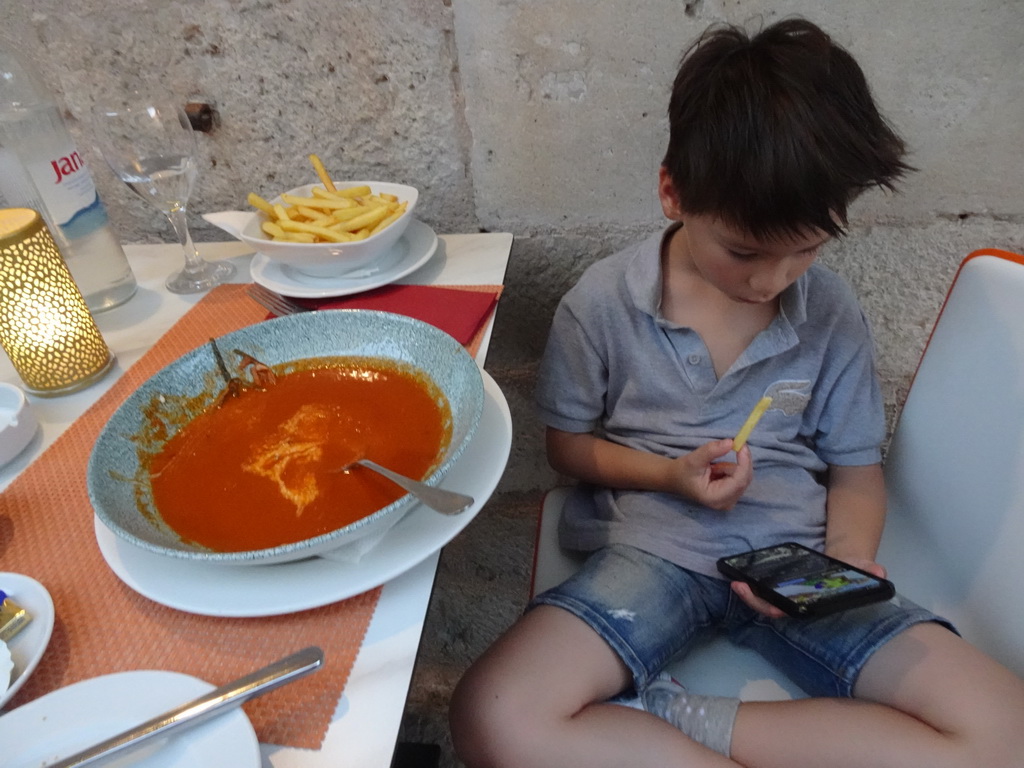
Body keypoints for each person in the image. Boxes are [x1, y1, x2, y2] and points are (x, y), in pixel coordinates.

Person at [449, 17, 1024, 768]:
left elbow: (855, 473)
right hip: (653, 556)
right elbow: (568, 448)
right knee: (491, 714)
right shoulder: (603, 305)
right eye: (745, 251)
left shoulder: (830, 311)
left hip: (793, 560)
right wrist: (667, 474)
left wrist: (842, 571)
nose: (771, 281)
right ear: (672, 192)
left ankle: (682, 721)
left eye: (806, 250)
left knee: (1005, 730)